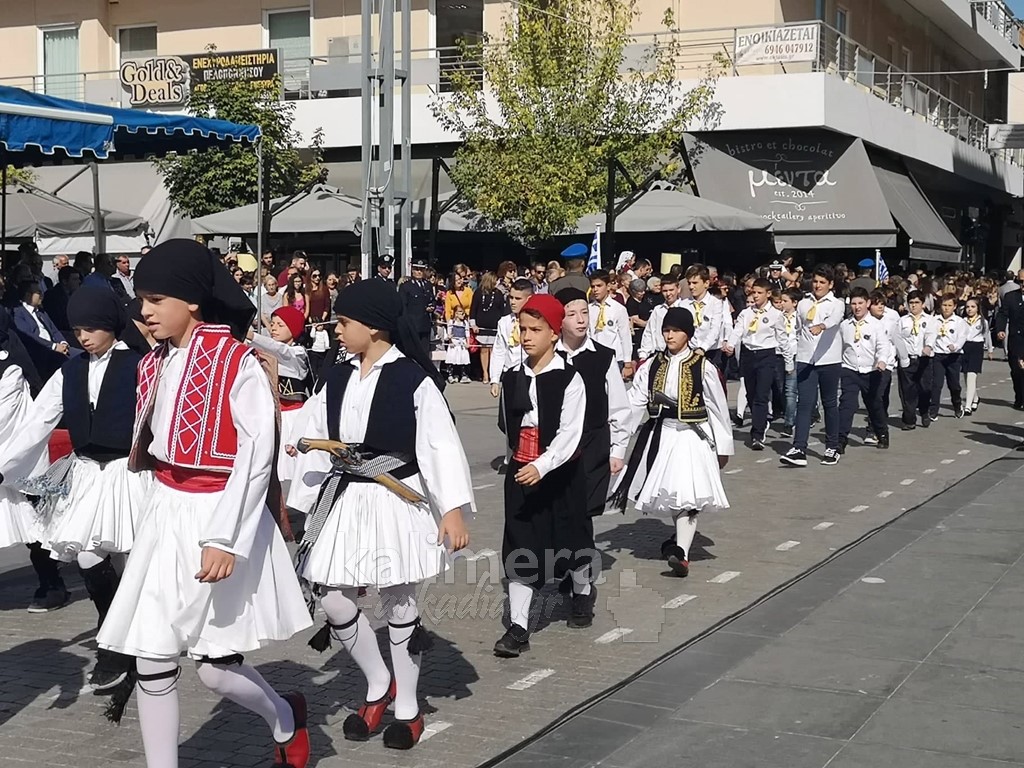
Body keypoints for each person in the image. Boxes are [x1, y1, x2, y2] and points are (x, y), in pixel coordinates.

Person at [96, 240, 312, 768]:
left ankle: (284, 715)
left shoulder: (236, 362)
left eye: (156, 299)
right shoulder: (154, 362)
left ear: (192, 300)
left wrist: (224, 538)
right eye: (141, 300)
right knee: (151, 656)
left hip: (217, 513)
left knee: (214, 668)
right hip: (165, 513)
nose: (145, 311)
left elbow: (256, 457)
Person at [286, 278, 471, 749]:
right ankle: (377, 681)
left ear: (372, 326)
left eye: (343, 322)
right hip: (346, 496)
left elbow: (439, 445)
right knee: (333, 598)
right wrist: (298, 502)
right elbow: (312, 435)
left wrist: (451, 509)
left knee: (399, 598)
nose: (337, 330)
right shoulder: (336, 376)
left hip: (395, 498)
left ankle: (407, 706)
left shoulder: (413, 379)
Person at [0, 285, 148, 692]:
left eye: (91, 328)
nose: (83, 337)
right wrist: (3, 467)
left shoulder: (140, 364)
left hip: (128, 472)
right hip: (86, 473)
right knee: (87, 554)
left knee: (131, 558)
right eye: (77, 329)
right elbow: (38, 421)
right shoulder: (70, 370)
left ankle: (134, 639)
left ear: (111, 325)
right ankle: (112, 638)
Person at [495, 294, 587, 658]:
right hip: (522, 470)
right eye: (523, 329)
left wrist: (543, 465)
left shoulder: (569, 378)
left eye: (535, 329)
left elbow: (570, 433)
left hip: (560, 474)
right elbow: (509, 425)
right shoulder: (512, 376)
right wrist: (517, 461)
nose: (527, 336)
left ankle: (581, 592)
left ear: (554, 333)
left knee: (571, 536)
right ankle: (519, 628)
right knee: (520, 543)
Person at [612, 308, 732, 577]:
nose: (669, 335)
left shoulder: (703, 366)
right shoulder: (652, 365)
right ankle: (679, 541)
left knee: (687, 495)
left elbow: (718, 409)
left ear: (687, 334)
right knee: (672, 493)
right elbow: (634, 403)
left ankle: (682, 554)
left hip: (692, 436)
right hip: (662, 434)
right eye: (666, 330)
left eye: (676, 330)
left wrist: (723, 447)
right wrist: (617, 439)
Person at [554, 288, 630, 626]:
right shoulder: (549, 356)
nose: (581, 319)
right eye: (572, 314)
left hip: (592, 447)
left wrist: (618, 450)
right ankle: (569, 568)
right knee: (559, 517)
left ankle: (583, 592)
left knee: (581, 518)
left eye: (585, 312)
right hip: (556, 451)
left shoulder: (603, 357)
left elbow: (619, 407)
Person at [0, 309, 67, 613]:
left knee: (34, 520)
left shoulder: (11, 365)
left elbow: (6, 413)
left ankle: (52, 584)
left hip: (19, 453)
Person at [780, 265, 845, 468]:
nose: (818, 285)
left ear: (830, 284)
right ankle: (799, 448)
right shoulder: (804, 303)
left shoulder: (837, 304)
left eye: (822, 282)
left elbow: (834, 320)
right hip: (806, 360)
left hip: (829, 360)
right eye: (815, 281)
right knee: (805, 404)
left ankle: (832, 446)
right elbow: (799, 329)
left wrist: (821, 326)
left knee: (829, 403)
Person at [245, 305, 311, 495]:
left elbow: (281, 350)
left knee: (291, 464)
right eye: (272, 324)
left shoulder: (297, 354)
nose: (274, 328)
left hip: (293, 416)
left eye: (280, 325)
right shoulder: (268, 352)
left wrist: (252, 336)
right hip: (274, 414)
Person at [723, 278, 789, 450]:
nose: (756, 296)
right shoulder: (746, 313)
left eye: (760, 293)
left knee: (761, 394)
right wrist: (730, 344)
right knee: (751, 394)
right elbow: (738, 330)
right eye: (754, 292)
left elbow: (782, 338)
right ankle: (761, 419)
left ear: (768, 294)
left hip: (766, 355)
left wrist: (788, 361)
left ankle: (757, 434)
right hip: (748, 355)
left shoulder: (776, 315)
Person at [836, 287, 891, 453]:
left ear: (867, 303)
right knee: (847, 404)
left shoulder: (876, 325)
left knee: (874, 404)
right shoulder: (845, 325)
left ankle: (882, 432)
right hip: (850, 369)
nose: (857, 307)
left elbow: (883, 345)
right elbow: (839, 346)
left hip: (871, 370)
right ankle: (840, 439)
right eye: (853, 304)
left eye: (860, 303)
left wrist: (881, 360)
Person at [896, 290, 937, 429]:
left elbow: (931, 334)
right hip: (907, 359)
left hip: (924, 359)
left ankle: (924, 411)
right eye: (911, 303)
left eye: (917, 302)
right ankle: (909, 420)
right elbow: (897, 338)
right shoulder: (902, 321)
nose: (913, 305)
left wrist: (928, 346)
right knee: (907, 391)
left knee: (925, 388)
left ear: (923, 304)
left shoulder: (930, 320)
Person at [489, 279, 532, 396]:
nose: (513, 302)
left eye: (518, 299)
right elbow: (499, 351)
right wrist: (495, 380)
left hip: (529, 375)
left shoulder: (537, 322)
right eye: (511, 297)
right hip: (509, 374)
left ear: (529, 299)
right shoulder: (504, 322)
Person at [683, 264, 728, 371]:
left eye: (695, 283)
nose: (691, 287)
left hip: (711, 352)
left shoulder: (715, 303)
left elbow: (715, 329)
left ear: (706, 283)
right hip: (690, 351)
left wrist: (703, 348)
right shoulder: (683, 304)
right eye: (689, 283)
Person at [930, 293, 968, 419]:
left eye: (949, 305)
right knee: (936, 384)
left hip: (953, 357)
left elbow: (962, 337)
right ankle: (933, 410)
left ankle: (957, 405)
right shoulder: (934, 320)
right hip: (938, 355)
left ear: (955, 306)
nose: (946, 308)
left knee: (954, 385)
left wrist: (955, 346)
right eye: (944, 305)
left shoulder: (959, 322)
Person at [587, 269, 632, 369]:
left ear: (608, 286)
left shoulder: (619, 309)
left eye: (599, 286)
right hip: (594, 357)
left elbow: (625, 336)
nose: (595, 289)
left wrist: (627, 362)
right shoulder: (589, 309)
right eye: (593, 286)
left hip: (615, 358)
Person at [470, 271, 506, 385]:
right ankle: (485, 373)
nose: (497, 282)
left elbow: (502, 311)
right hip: (481, 326)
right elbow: (473, 309)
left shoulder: (499, 293)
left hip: (495, 327)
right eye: (496, 280)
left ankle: (493, 373)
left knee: (494, 351)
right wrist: (473, 324)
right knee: (484, 350)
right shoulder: (478, 292)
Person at [638, 274, 685, 359]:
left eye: (671, 290)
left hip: (680, 354)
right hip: (660, 354)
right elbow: (649, 332)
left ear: (678, 289)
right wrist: (643, 354)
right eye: (665, 291)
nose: (668, 294)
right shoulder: (658, 310)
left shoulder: (685, 308)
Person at [961, 297, 991, 415]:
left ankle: (967, 406)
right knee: (966, 376)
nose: (970, 309)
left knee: (971, 376)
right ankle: (975, 398)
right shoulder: (962, 321)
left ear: (978, 308)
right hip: (965, 347)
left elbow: (987, 335)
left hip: (977, 348)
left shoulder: (983, 322)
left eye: (973, 307)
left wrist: (990, 349)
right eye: (967, 307)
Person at [398, 257, 434, 352]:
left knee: (425, 351)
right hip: (413, 325)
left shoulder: (428, 285)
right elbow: (403, 307)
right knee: (413, 352)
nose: (419, 272)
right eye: (416, 269)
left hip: (425, 324)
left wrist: (432, 307)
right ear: (412, 270)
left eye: (421, 270)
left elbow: (432, 299)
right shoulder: (406, 286)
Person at [446, 306, 472, 383]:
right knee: (452, 358)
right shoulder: (451, 322)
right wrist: (450, 341)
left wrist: (468, 343)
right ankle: (451, 375)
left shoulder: (465, 323)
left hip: (462, 342)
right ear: (456, 313)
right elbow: (449, 333)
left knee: (463, 359)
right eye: (460, 312)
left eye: (463, 312)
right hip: (454, 342)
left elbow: (467, 334)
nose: (463, 314)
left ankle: (463, 375)